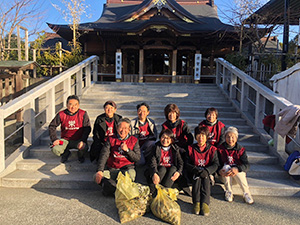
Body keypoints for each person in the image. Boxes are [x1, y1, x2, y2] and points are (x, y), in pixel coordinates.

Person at [94, 118, 140, 196]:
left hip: (126, 169)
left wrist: (128, 150)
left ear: (129, 129)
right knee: (97, 176)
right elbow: (104, 155)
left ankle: (113, 189)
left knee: (131, 174)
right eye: (121, 128)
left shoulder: (134, 140)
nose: (123, 130)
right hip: (112, 168)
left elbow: (137, 158)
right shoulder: (111, 139)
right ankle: (114, 188)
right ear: (117, 128)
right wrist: (100, 170)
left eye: (125, 128)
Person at [186, 126, 219, 216]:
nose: (201, 138)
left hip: (207, 172)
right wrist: (195, 170)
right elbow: (187, 163)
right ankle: (196, 202)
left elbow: (216, 164)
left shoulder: (212, 149)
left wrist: (207, 171)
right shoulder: (190, 148)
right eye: (199, 135)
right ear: (195, 137)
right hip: (195, 172)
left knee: (205, 178)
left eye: (203, 136)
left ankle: (205, 203)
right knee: (197, 178)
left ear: (207, 137)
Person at [49, 95, 91, 163]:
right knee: (55, 149)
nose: (73, 107)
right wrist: (54, 139)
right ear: (67, 105)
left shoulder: (83, 114)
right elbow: (52, 126)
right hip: (65, 140)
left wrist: (83, 140)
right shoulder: (61, 114)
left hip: (78, 140)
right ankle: (66, 154)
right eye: (70, 104)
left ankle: (80, 155)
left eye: (75, 105)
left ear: (78, 105)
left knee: (84, 147)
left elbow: (87, 128)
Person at [217, 126, 254, 204]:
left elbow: (246, 165)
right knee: (226, 167)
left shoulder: (240, 149)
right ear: (225, 137)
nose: (230, 139)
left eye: (232, 137)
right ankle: (229, 191)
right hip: (225, 176)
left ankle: (246, 193)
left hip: (237, 176)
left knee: (239, 170)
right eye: (228, 137)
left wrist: (237, 169)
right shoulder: (220, 149)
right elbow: (216, 163)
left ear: (236, 138)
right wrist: (219, 171)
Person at [145, 129, 183, 194]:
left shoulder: (175, 149)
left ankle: (164, 192)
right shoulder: (156, 148)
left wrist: (179, 172)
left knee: (173, 169)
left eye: (167, 138)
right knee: (162, 169)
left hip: (170, 172)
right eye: (163, 137)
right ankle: (154, 190)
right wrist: (154, 173)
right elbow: (152, 162)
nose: (165, 140)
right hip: (160, 171)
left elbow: (180, 163)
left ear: (172, 140)